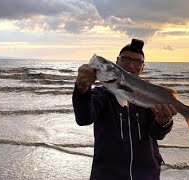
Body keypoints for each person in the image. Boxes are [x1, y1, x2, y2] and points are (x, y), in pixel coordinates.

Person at [72, 38, 177, 180]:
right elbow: (84, 118)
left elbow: (157, 134)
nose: (131, 65)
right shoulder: (101, 94)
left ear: (142, 67)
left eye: (137, 62)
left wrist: (163, 121)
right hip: (107, 175)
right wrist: (82, 89)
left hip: (147, 174)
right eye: (126, 59)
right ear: (117, 61)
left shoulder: (149, 95)